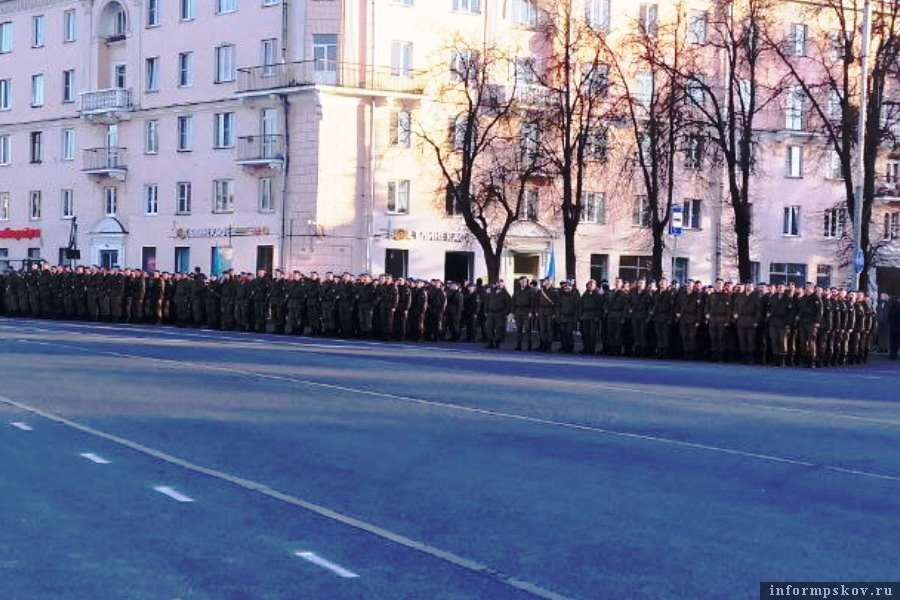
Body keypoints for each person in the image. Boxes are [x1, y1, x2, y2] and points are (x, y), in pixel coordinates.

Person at [889, 295, 900, 360]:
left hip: (892, 328)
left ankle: (892, 354)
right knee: (897, 343)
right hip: (898, 328)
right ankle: (895, 355)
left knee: (892, 342)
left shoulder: (892, 307)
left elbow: (889, 316)